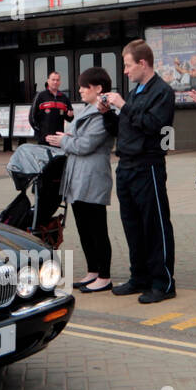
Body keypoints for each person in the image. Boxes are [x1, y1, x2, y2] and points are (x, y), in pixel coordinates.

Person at [106, 39, 176, 303]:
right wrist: (107, 113)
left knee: (154, 225)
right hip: (126, 165)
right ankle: (140, 277)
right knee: (132, 225)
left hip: (148, 165)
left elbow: (153, 125)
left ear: (142, 63)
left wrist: (123, 105)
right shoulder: (136, 92)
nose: (125, 71)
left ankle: (163, 282)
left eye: (128, 65)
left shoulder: (162, 92)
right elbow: (123, 127)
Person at [46, 67, 116, 292]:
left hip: (93, 176)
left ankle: (104, 276)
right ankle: (93, 271)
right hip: (78, 176)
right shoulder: (88, 110)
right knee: (84, 228)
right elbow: (78, 139)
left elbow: (86, 144)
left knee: (96, 228)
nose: (80, 90)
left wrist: (64, 141)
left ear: (98, 88)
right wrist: (70, 139)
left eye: (84, 86)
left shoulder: (103, 113)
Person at [30, 71, 72, 143]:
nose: (55, 82)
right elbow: (32, 117)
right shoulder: (40, 96)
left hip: (58, 138)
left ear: (60, 82)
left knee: (58, 154)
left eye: (57, 80)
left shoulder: (64, 98)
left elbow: (69, 118)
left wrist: (70, 116)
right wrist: (39, 131)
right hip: (43, 137)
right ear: (48, 81)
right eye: (53, 80)